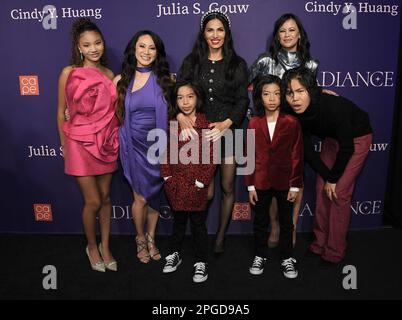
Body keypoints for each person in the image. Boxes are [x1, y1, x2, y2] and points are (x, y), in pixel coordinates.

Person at [249, 13, 334, 248]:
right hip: (269, 126)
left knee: (295, 176)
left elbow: (310, 93)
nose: (287, 35)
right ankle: (275, 225)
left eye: (291, 30)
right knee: (273, 175)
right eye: (282, 31)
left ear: (299, 34)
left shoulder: (311, 64)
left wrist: (322, 91)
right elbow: (249, 88)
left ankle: (292, 226)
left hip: (299, 125)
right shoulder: (265, 61)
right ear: (277, 35)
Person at [177, 9, 249, 254]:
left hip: (229, 131)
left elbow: (243, 101)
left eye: (220, 29)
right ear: (203, 33)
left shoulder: (237, 64)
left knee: (228, 187)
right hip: (200, 134)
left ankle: (219, 238)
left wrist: (227, 123)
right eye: (210, 30)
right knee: (205, 191)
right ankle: (200, 234)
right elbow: (178, 93)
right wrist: (178, 115)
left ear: (226, 33)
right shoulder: (191, 62)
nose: (215, 35)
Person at [283, 67, 373, 263]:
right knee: (322, 188)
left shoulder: (333, 106)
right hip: (331, 141)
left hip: (356, 139)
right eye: (290, 93)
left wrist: (333, 179)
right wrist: (327, 178)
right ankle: (320, 242)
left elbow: (347, 147)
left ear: (312, 91)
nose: (295, 99)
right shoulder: (292, 111)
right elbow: (307, 151)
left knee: (339, 192)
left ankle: (334, 250)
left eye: (300, 91)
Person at [57, 18, 119, 272]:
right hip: (78, 143)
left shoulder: (109, 75)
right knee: (92, 201)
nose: (94, 48)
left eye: (98, 42)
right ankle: (91, 246)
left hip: (105, 141)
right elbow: (61, 112)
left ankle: (105, 246)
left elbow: (113, 112)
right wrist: (64, 146)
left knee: (105, 198)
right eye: (87, 45)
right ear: (79, 47)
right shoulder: (68, 73)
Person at [115, 30, 173, 264]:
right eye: (142, 46)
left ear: (157, 53)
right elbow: (104, 111)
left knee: (155, 198)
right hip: (133, 145)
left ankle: (152, 238)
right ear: (134, 49)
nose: (146, 52)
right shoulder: (121, 80)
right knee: (139, 198)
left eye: (152, 48)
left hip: (158, 145)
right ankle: (140, 238)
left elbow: (179, 111)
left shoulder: (166, 80)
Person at [245, 75, 303, 278]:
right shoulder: (253, 122)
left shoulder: (292, 122)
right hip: (260, 181)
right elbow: (248, 155)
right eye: (267, 94)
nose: (271, 99)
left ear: (282, 97)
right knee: (260, 221)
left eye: (276, 94)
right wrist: (250, 185)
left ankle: (287, 257)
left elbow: (297, 154)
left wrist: (295, 185)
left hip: (285, 182)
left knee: (287, 222)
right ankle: (260, 255)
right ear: (260, 97)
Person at [161, 80, 217, 283]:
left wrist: (201, 182)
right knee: (178, 223)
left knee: (198, 225)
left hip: (196, 187)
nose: (185, 102)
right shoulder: (172, 124)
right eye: (180, 97)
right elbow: (165, 152)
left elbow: (211, 158)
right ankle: (174, 254)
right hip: (175, 185)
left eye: (190, 96)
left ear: (198, 99)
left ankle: (201, 261)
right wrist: (167, 176)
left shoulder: (206, 125)